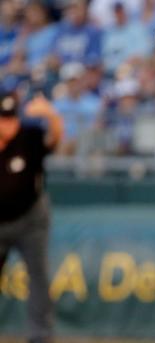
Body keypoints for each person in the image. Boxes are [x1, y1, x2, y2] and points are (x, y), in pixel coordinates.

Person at [0, 91, 63, 343]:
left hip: (30, 220)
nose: (7, 124)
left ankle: (40, 336)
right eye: (2, 119)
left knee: (38, 278)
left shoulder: (29, 136)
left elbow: (55, 142)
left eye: (10, 118)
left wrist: (51, 116)